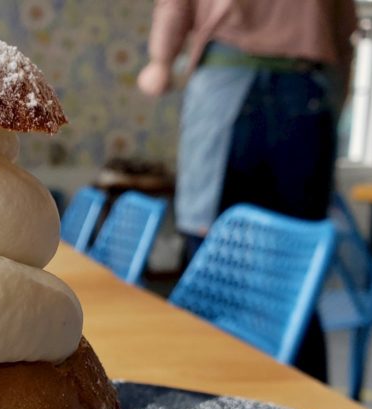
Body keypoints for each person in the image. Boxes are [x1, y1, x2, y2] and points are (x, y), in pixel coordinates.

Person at [138, 0, 358, 383]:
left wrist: (160, 60)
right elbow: (344, 32)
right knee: (294, 276)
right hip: (306, 94)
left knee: (212, 266)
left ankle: (203, 402)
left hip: (229, 87)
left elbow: (175, 7)